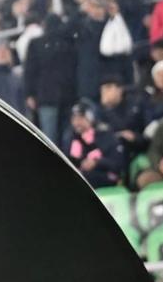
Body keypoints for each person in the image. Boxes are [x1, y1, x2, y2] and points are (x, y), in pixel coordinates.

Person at [24, 13, 78, 141]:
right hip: (68, 94)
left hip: (46, 96)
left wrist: (29, 94)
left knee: (49, 137)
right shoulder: (69, 43)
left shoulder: (35, 44)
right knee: (68, 136)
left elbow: (30, 71)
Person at [61, 100, 125, 187]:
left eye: (80, 118)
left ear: (90, 119)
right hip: (82, 176)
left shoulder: (104, 135)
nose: (76, 123)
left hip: (105, 175)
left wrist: (97, 162)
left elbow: (118, 163)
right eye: (74, 119)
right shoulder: (71, 138)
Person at [98, 75, 148, 159]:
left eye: (108, 88)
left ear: (119, 90)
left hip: (138, 151)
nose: (104, 93)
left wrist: (135, 137)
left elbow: (147, 134)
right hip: (113, 155)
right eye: (102, 90)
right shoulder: (101, 112)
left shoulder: (136, 105)